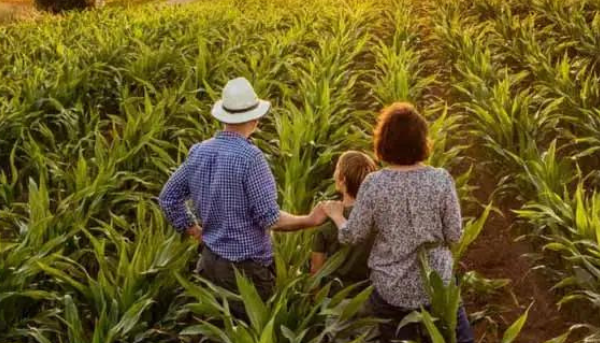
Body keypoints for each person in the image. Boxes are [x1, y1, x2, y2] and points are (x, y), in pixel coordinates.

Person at [159, 77, 328, 319]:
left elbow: (168, 198)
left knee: (217, 329)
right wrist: (310, 220)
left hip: (208, 263)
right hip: (246, 271)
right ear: (254, 119)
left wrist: (194, 230)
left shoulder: (199, 151)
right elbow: (271, 219)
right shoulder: (251, 158)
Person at [322, 103, 475, 343]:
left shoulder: (374, 184)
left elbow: (353, 236)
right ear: (422, 141)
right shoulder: (441, 179)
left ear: (384, 142)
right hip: (436, 286)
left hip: (391, 290)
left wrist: (337, 217)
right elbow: (455, 235)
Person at [310, 151, 378, 285]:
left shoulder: (326, 220)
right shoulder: (378, 217)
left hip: (332, 298)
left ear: (343, 180)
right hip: (369, 296)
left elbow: (315, 272)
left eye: (337, 169)